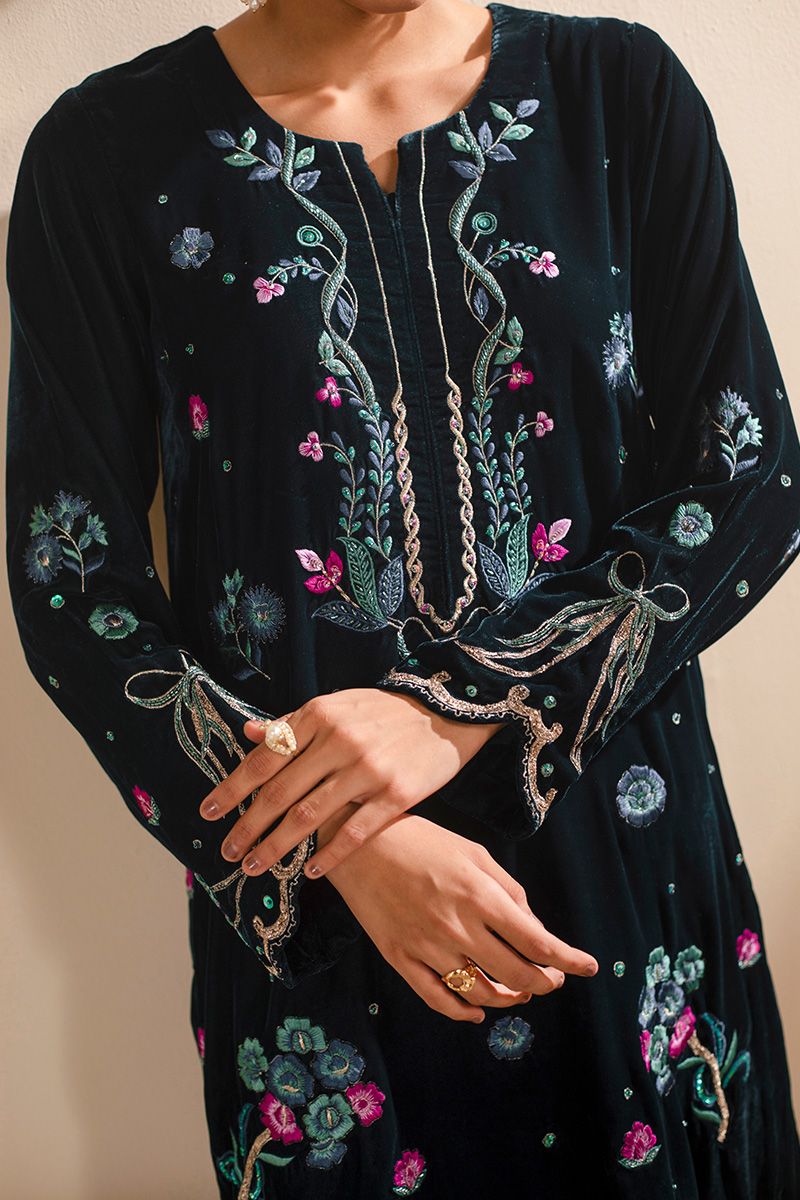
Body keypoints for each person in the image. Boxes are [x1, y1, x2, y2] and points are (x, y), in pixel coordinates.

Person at [6, 0, 800, 1195]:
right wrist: (333, 842)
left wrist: (458, 709)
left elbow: (747, 476)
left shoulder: (613, 94)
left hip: (618, 868)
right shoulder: (110, 152)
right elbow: (71, 583)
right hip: (321, 933)